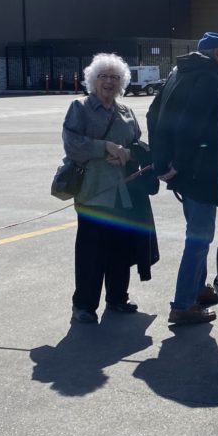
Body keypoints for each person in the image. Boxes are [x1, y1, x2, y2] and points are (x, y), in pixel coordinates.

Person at [149, 32, 218, 325]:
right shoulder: (208, 79)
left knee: (197, 231)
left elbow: (153, 114)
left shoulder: (178, 74)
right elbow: (194, 124)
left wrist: (160, 159)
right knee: (199, 237)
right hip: (196, 171)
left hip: (183, 171)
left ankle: (198, 289)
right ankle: (184, 304)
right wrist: (177, 163)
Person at [62, 53, 152, 323]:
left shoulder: (126, 111)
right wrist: (105, 147)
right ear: (93, 80)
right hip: (92, 193)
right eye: (103, 77)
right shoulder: (80, 108)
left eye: (115, 77)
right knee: (91, 253)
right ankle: (84, 306)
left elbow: (139, 145)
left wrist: (128, 153)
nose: (109, 82)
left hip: (124, 192)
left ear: (122, 81)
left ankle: (117, 299)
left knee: (120, 249)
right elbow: (72, 144)